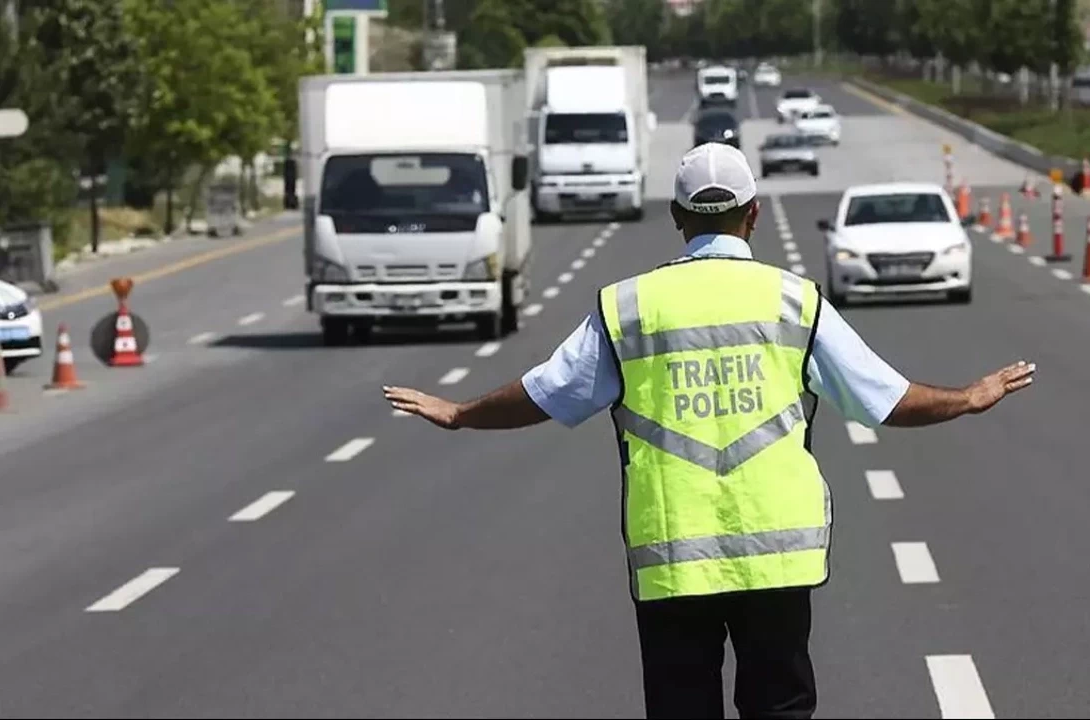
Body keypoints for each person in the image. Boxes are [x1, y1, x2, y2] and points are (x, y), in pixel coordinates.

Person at [383, 143, 1036, 720]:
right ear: (752, 215)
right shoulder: (794, 301)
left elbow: (547, 394)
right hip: (777, 557)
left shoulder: (630, 307)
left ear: (677, 218)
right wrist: (968, 397)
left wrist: (460, 412)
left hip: (673, 557)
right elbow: (884, 400)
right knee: (780, 706)